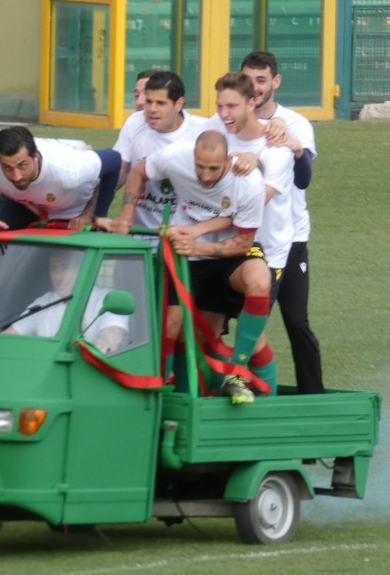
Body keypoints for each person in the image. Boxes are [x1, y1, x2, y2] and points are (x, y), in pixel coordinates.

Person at [99, 130, 269, 404]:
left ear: (227, 160)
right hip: (185, 254)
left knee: (260, 280)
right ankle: (157, 392)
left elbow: (243, 241)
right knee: (173, 326)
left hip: (226, 252)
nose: (205, 175)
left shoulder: (248, 182)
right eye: (200, 166)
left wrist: (198, 246)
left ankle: (237, 374)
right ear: (193, 155)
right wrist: (126, 217)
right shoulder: (174, 156)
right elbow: (138, 172)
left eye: (213, 168)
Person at [240, 51, 324, 394]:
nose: (254, 88)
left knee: (296, 321)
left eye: (261, 80)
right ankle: (234, 390)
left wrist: (296, 149)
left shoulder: (296, 124)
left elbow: (303, 180)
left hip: (289, 240)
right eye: (248, 80)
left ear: (276, 82)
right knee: (246, 323)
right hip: (243, 240)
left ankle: (313, 399)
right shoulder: (229, 122)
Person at [0, 126, 121, 233]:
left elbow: (114, 160)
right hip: (23, 202)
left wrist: (97, 214)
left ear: (35, 156)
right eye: (7, 168)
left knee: (59, 270)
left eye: (22, 165)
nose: (16, 176)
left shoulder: (69, 168)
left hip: (71, 210)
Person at [115, 70, 210, 230]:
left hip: (181, 237)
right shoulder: (134, 123)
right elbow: (120, 172)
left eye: (160, 103)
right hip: (140, 233)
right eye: (149, 101)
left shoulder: (203, 131)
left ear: (178, 104)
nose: (152, 109)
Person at [5, 249, 128, 354]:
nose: (58, 277)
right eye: (54, 269)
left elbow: (109, 345)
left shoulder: (108, 299)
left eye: (65, 267)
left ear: (81, 268)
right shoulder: (43, 303)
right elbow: (9, 337)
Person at [111, 67, 160, 189]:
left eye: (147, 94)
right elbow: (119, 172)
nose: (139, 101)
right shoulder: (134, 121)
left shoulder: (196, 129)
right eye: (136, 95)